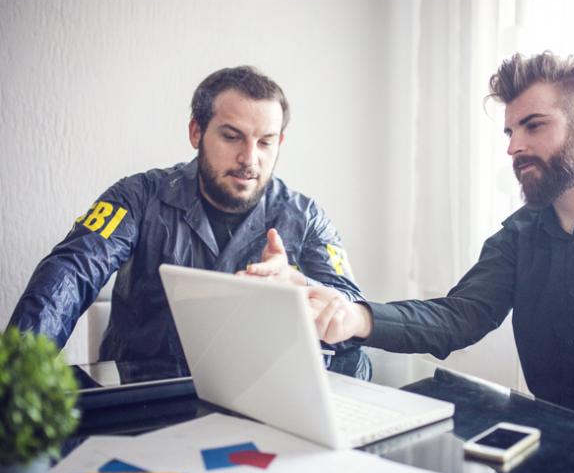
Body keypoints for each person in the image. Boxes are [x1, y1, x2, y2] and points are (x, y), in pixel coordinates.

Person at [306, 51, 574, 445]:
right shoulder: (519, 236)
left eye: (533, 126)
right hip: (555, 445)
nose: (514, 147)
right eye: (510, 132)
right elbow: (459, 317)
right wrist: (355, 318)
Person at [9, 66, 370, 380]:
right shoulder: (137, 196)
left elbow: (352, 317)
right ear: (196, 132)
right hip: (141, 401)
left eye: (265, 142)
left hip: (257, 404)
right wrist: (20, 373)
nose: (250, 159)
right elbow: (71, 272)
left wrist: (298, 287)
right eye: (231, 137)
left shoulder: (306, 218)